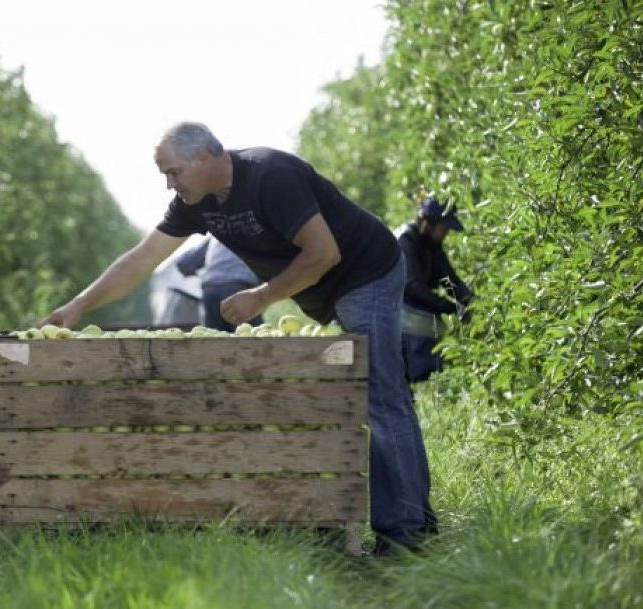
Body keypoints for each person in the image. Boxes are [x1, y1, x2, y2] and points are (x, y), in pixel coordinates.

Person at [42, 122, 437, 554]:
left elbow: (324, 253)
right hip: (328, 287)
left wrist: (261, 297)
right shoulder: (196, 203)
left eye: (173, 172)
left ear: (203, 158)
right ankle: (418, 519)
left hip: (367, 271)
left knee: (378, 395)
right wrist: (80, 305)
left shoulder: (269, 176)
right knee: (386, 393)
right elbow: (143, 259)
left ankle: (402, 535)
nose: (169, 185)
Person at [397, 195, 472, 383]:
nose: (446, 233)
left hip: (413, 313)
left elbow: (448, 279)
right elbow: (412, 287)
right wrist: (450, 307)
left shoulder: (432, 245)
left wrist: (468, 300)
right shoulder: (406, 241)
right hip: (398, 313)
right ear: (429, 223)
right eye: (444, 228)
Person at [174, 236, 262, 331]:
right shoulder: (258, 232)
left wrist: (197, 274)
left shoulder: (216, 233)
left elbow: (184, 263)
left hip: (211, 290)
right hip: (241, 288)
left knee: (214, 339)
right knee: (252, 337)